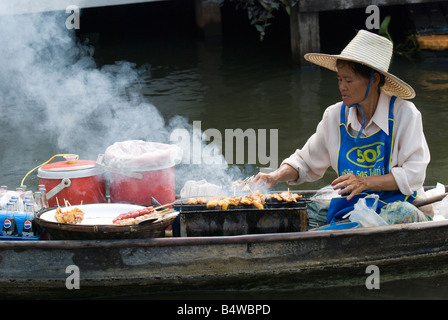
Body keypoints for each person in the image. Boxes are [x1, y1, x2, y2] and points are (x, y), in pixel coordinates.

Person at [251, 29, 431, 224]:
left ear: (374, 79)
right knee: (306, 212)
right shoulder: (335, 115)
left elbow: (414, 174)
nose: (342, 87)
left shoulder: (404, 114)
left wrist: (365, 182)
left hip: (398, 204)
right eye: (339, 79)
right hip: (353, 206)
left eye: (349, 80)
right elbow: (305, 162)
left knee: (399, 213)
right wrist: (274, 177)